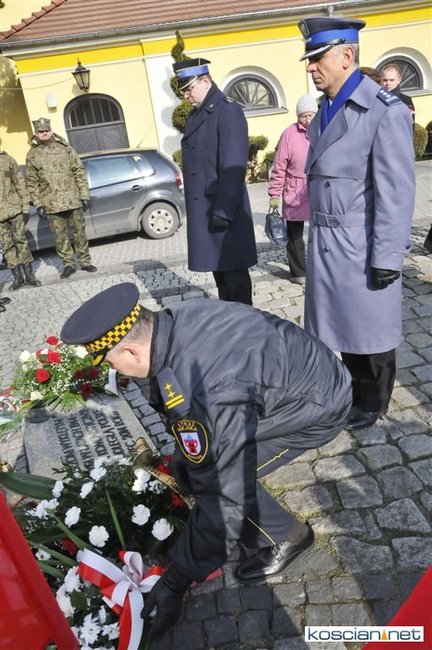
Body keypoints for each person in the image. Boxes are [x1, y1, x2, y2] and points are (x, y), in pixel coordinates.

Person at [60, 282, 352, 639]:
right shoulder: (170, 322)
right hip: (297, 377)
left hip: (318, 406)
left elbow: (224, 494)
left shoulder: (208, 395)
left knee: (222, 478)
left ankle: (290, 537)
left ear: (132, 351)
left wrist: (175, 582)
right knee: (190, 466)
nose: (115, 372)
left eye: (110, 362)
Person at [297, 16, 415, 430]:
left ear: (347, 55)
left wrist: (388, 255)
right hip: (328, 241)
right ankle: (353, 393)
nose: (311, 67)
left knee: (371, 329)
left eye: (318, 58)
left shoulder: (383, 111)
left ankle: (375, 401)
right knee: (343, 328)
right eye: (308, 59)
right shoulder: (325, 110)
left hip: (361, 242)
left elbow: (396, 192)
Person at [172, 58, 257, 305]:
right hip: (207, 210)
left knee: (235, 278)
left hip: (223, 211)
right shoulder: (199, 113)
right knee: (221, 278)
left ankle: (244, 323)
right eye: (183, 91)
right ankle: (228, 320)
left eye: (189, 88)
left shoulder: (227, 110)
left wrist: (223, 211)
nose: (186, 95)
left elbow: (233, 166)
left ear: (206, 81)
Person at [25, 118, 97, 279]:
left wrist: (84, 195)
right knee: (60, 237)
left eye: (47, 130)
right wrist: (38, 204)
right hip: (51, 204)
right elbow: (31, 182)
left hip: (73, 199)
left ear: (51, 131)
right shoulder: (32, 155)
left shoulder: (65, 148)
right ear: (36, 133)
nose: (44, 134)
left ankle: (85, 262)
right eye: (41, 132)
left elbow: (78, 171)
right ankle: (68, 265)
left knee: (80, 233)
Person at [268, 94, 318, 284]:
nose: (308, 120)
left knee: (319, 231)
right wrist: (275, 193)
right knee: (295, 235)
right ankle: (299, 272)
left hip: (317, 187)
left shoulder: (323, 129)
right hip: (294, 189)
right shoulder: (289, 134)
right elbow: (279, 166)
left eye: (311, 115)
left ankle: (320, 267)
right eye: (304, 116)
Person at [0, 149, 41, 291]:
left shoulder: (7, 160)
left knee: (22, 243)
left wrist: (25, 208)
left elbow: (20, 183)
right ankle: (18, 278)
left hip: (15, 210)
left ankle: (30, 276)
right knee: (7, 247)